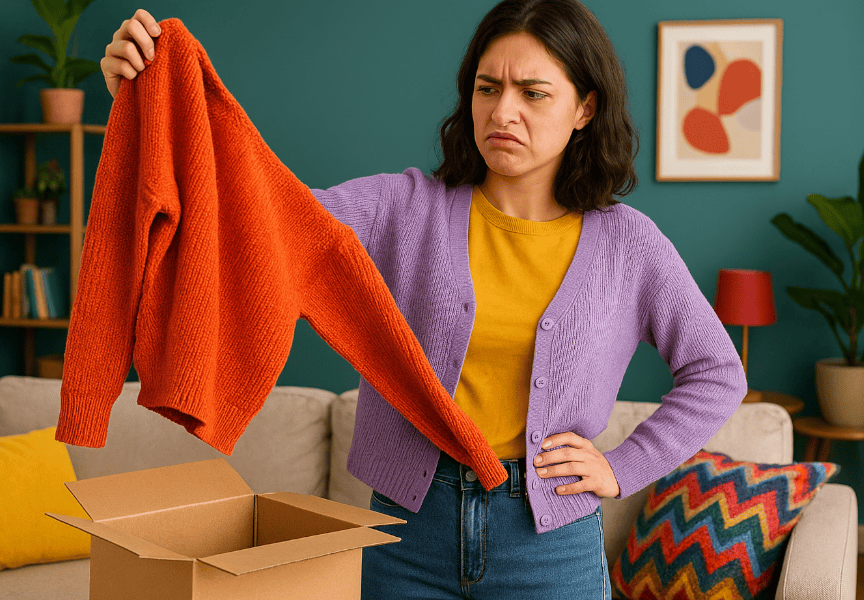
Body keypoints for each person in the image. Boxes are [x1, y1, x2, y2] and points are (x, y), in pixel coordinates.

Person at [101, 2, 747, 599]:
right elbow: (259, 219)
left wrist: (622, 465)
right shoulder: (402, 208)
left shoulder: (628, 245)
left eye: (533, 93)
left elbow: (718, 373)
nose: (503, 112)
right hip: (407, 533)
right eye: (487, 88)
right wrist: (151, 107)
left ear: (584, 108)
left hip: (550, 546)